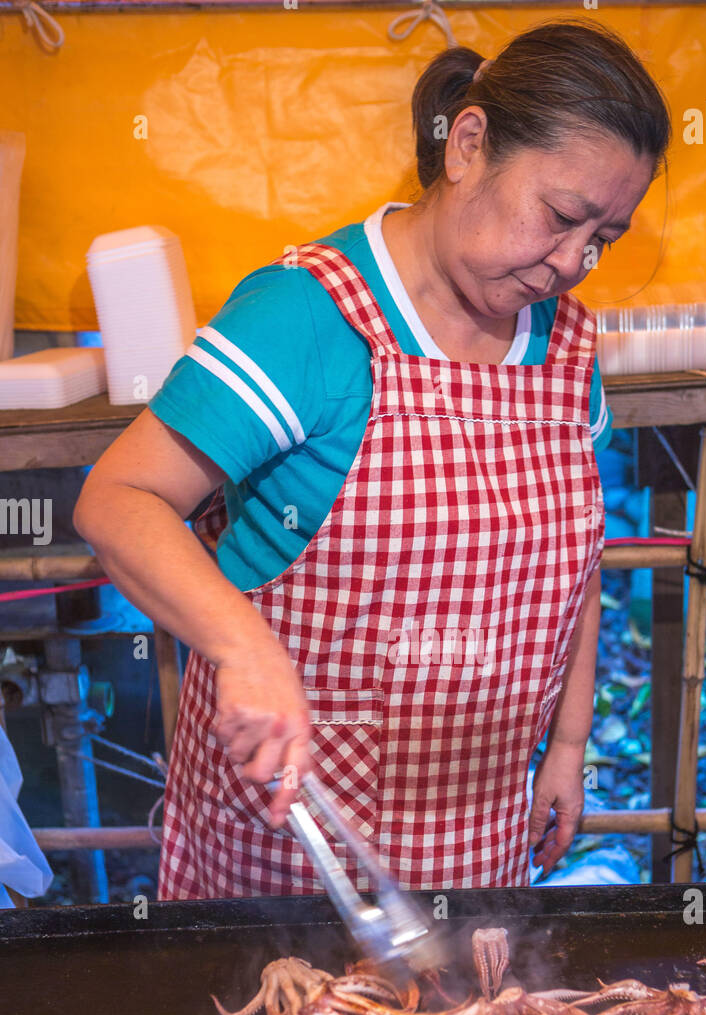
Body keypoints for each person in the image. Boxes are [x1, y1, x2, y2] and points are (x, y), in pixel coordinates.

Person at [74, 19, 671, 900]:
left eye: (603, 239)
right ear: (468, 143)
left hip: (482, 839)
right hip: (289, 847)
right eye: (561, 217)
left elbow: (573, 569)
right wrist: (241, 647)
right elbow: (117, 500)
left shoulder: (568, 347)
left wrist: (570, 746)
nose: (572, 263)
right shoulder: (309, 317)